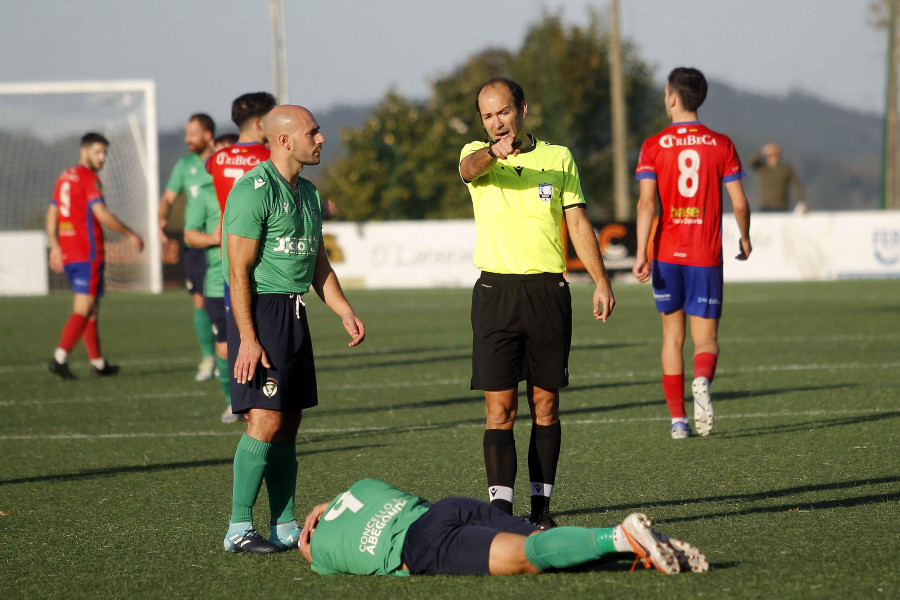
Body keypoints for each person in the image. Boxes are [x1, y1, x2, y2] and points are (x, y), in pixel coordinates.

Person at [458, 78, 615, 529]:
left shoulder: (558, 157)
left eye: (503, 112)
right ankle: (501, 515)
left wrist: (601, 281)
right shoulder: (477, 154)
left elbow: (578, 222)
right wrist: (493, 152)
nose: (496, 122)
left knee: (546, 405)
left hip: (548, 292)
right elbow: (469, 169)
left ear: (522, 110)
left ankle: (542, 511)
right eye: (487, 116)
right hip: (495, 294)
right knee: (499, 409)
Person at [221, 105, 366, 553]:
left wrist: (342, 309)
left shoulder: (308, 193)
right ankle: (238, 528)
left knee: (290, 421)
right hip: (261, 312)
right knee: (264, 420)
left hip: (295, 312)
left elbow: (317, 260)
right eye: (313, 132)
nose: (321, 139)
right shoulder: (252, 190)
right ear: (284, 140)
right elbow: (238, 270)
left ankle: (283, 522)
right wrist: (248, 337)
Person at [632, 67, 752, 439]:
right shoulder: (721, 144)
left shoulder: (653, 145)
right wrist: (745, 238)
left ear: (671, 97)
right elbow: (741, 204)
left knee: (672, 337)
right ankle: (701, 379)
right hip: (705, 255)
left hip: (667, 253)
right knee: (706, 340)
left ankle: (678, 421)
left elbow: (646, 203)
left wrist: (641, 252)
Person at [297, 478, 709, 576]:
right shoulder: (364, 487)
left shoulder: (324, 551)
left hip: (421, 543)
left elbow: (310, 553)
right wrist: (325, 504)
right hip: (448, 508)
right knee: (541, 543)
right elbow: (340, 501)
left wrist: (307, 543)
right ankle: (638, 546)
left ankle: (619, 536)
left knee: (528, 558)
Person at [46, 133, 145, 380]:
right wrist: (130, 233)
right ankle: (60, 358)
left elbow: (52, 213)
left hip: (69, 251)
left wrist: (55, 245)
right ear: (85, 151)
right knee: (84, 307)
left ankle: (98, 363)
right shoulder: (89, 178)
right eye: (98, 152)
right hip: (86, 252)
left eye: (105, 153)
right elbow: (101, 214)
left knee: (91, 310)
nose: (102, 158)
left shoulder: (64, 176)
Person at [158, 113, 218, 381]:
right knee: (200, 300)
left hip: (227, 241)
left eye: (192, 133)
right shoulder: (185, 165)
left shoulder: (222, 159)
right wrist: (161, 218)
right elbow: (168, 197)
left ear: (207, 134)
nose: (187, 139)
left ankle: (229, 352)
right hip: (196, 244)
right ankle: (209, 358)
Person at [183, 152, 235, 423]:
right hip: (218, 282)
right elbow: (189, 234)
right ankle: (232, 402)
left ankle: (263, 404)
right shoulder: (204, 195)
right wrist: (212, 237)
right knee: (225, 348)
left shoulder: (255, 189)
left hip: (255, 282)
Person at [749, 143, 807, 213]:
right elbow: (751, 162)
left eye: (775, 155)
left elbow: (796, 186)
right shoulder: (762, 168)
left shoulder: (786, 169)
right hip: (765, 207)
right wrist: (763, 151)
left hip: (781, 207)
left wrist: (801, 202)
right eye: (770, 155)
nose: (773, 158)